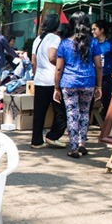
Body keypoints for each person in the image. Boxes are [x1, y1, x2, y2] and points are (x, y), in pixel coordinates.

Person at [54, 11, 103, 158]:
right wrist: (99, 86)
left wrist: (56, 87)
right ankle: (82, 144)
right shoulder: (94, 43)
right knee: (84, 112)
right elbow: (99, 66)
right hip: (88, 81)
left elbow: (58, 68)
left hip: (68, 82)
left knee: (72, 114)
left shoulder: (64, 44)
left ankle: (74, 147)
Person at [30, 14, 68, 149]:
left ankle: (36, 141)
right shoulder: (55, 38)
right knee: (61, 111)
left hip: (39, 79)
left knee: (39, 112)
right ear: (56, 25)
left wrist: (36, 73)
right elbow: (52, 56)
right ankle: (53, 135)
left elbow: (33, 62)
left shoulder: (37, 39)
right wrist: (60, 65)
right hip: (52, 80)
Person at [92, 20, 112, 120]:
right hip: (92, 76)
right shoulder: (91, 43)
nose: (92, 31)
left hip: (106, 76)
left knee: (106, 99)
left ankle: (107, 120)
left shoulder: (111, 44)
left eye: (94, 29)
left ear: (102, 30)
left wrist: (108, 64)